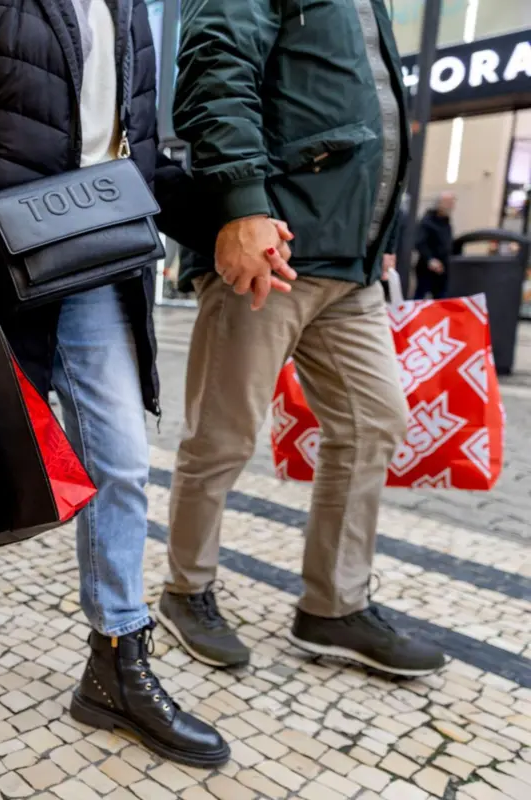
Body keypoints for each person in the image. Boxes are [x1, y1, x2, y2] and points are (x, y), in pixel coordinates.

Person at [0, 0, 294, 769]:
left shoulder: (130, 8)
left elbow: (139, 155)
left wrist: (234, 215)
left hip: (94, 260)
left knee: (120, 460)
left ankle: (116, 659)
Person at [160, 0, 446, 679]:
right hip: (275, 246)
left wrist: (377, 232)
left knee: (375, 421)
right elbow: (215, 65)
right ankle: (186, 590)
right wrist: (243, 207)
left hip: (351, 263)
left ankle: (334, 608)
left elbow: (367, 114)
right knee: (223, 435)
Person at [413, 191, 455, 300]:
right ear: (439, 203)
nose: (450, 205)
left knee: (441, 298)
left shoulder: (446, 223)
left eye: (452, 202)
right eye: (447, 202)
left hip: (443, 268)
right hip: (427, 268)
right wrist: (430, 259)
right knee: (420, 297)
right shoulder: (427, 222)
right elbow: (420, 242)